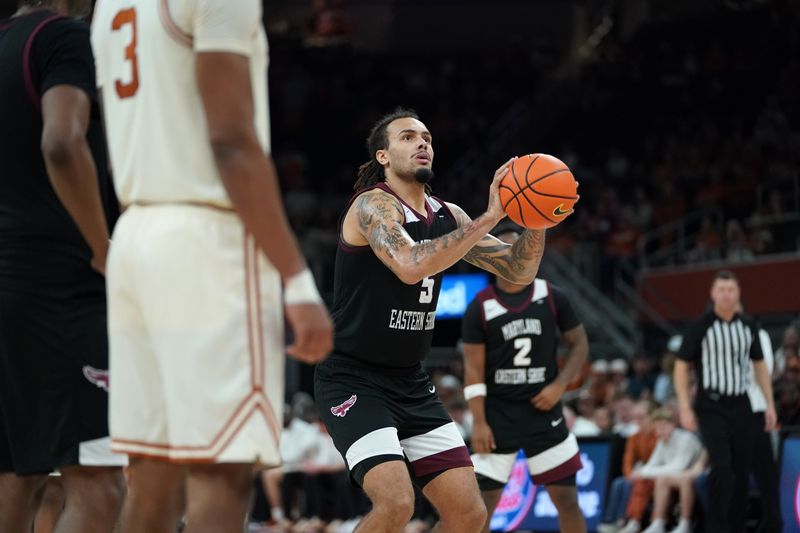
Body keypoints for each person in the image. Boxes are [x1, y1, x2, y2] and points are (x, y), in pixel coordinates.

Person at [91, 0, 333, 531]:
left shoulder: (107, 6)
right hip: (205, 236)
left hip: (135, 228)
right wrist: (297, 278)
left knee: (152, 473)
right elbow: (230, 140)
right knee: (222, 471)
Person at [314, 108, 546, 533]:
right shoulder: (373, 205)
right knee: (396, 503)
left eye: (427, 137)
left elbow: (517, 272)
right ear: (383, 156)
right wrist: (491, 216)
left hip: (410, 382)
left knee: (469, 514)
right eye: (407, 137)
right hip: (353, 378)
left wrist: (537, 219)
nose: (422, 142)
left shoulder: (449, 215)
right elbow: (409, 264)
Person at [0, 1, 126, 531]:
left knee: (17, 474)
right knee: (99, 484)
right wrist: (102, 247)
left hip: (12, 279)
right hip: (56, 286)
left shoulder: (6, 40)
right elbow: (60, 142)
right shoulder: (63, 36)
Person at [461, 226, 589, 533]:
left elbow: (580, 345)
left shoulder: (552, 296)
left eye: (518, 247)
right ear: (493, 257)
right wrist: (479, 421)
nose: (514, 254)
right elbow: (473, 371)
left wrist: (559, 386)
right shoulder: (480, 306)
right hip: (498, 416)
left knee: (567, 500)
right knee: (480, 509)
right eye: (505, 249)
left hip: (543, 414)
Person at [673, 270, 776, 533]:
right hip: (711, 405)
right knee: (721, 468)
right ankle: (717, 528)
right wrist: (684, 406)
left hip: (742, 404)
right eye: (722, 290)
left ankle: (736, 528)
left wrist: (769, 404)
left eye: (731, 290)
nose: (727, 295)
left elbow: (760, 366)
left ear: (738, 293)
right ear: (712, 293)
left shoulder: (749, 326)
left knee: (741, 472)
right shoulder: (700, 326)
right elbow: (681, 365)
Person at [617, 408, 703, 533]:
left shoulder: (686, 439)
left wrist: (642, 472)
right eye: (657, 428)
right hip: (676, 476)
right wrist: (639, 473)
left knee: (672, 479)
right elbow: (652, 463)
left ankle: (685, 524)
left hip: (694, 473)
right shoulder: (662, 441)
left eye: (663, 427)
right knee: (653, 480)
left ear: (672, 425)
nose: (659, 431)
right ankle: (656, 523)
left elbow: (679, 466)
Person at [598, 401, 658, 533]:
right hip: (641, 474)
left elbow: (658, 461)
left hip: (655, 474)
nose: (638, 421)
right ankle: (610, 520)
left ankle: (624, 520)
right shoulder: (634, 437)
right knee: (619, 482)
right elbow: (628, 460)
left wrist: (640, 473)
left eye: (641, 417)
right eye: (635, 417)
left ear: (652, 417)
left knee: (630, 484)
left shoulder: (658, 435)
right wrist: (629, 474)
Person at [746, 318, 782, 533]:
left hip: (757, 410)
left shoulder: (759, 336)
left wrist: (769, 406)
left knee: (766, 474)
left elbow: (764, 371)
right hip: (729, 414)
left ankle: (773, 524)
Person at [643, 450, 708, 533]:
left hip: (707, 473)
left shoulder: (687, 443)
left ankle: (685, 525)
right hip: (690, 470)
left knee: (685, 480)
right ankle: (658, 524)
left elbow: (681, 466)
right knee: (662, 479)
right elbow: (699, 465)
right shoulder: (661, 445)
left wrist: (642, 472)